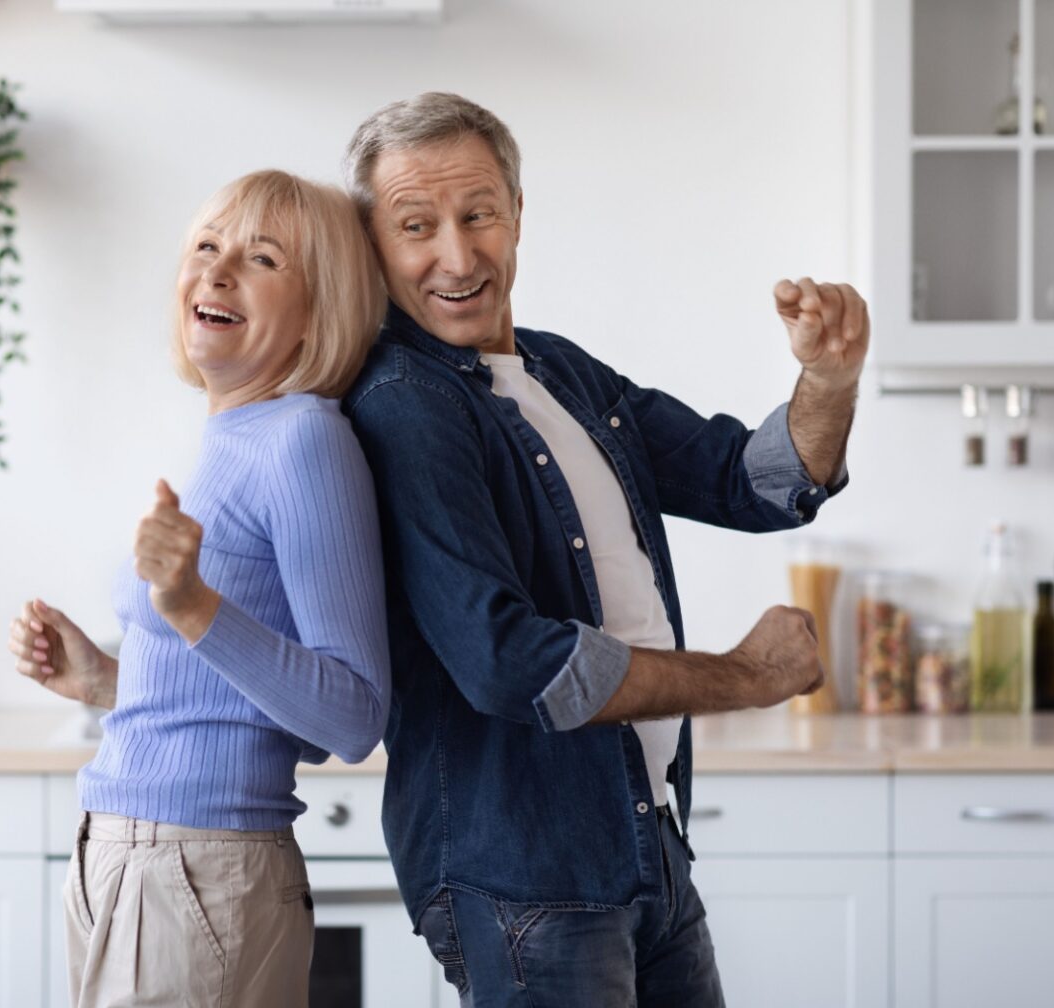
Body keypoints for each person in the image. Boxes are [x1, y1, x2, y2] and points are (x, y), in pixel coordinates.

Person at [339, 92, 867, 1006]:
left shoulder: (562, 373)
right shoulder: (406, 403)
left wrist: (829, 378)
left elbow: (752, 480)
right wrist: (744, 677)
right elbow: (507, 660)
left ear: (517, 213)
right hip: (527, 878)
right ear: (372, 243)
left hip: (642, 841)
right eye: (416, 226)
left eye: (479, 215)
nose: (456, 257)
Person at [6, 169, 390, 1008]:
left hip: (190, 865)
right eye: (207, 247)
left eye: (262, 258)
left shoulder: (304, 441)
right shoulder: (236, 435)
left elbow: (353, 716)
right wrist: (107, 683)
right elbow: (251, 708)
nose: (217, 271)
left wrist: (190, 606)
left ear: (320, 310)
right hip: (138, 859)